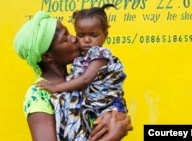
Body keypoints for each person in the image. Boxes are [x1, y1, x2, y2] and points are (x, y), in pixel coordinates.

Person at [13, 10, 132, 141]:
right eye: (65, 38)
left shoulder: (79, 78)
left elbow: (110, 100)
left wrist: (118, 115)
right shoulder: (39, 95)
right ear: (48, 56)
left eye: (70, 33)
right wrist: (113, 136)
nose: (74, 39)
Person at [36, 4, 128, 133]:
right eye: (81, 35)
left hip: (106, 104)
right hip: (92, 106)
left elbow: (85, 79)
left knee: (102, 131)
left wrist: (56, 88)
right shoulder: (82, 56)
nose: (87, 40)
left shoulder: (100, 54)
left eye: (93, 35)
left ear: (105, 35)